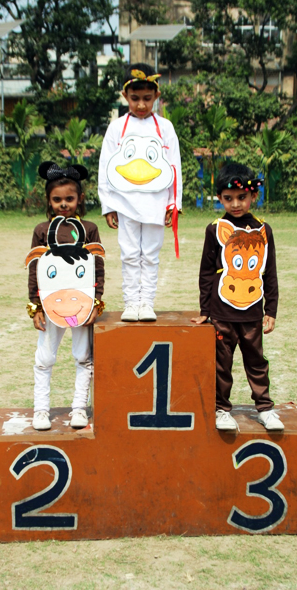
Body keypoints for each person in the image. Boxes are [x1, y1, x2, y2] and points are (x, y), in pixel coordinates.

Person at [192, 162, 284, 432]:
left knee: (256, 362)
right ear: (219, 198)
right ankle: (222, 409)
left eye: (242, 197)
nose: (235, 204)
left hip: (253, 313)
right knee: (222, 364)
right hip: (221, 314)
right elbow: (206, 272)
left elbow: (269, 272)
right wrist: (205, 310)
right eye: (228, 198)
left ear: (253, 195)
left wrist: (271, 310)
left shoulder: (263, 230)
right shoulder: (214, 229)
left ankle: (265, 408)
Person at [98, 63, 182, 322]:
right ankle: (131, 303)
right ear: (125, 96)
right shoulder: (116, 128)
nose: (142, 105)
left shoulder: (165, 128)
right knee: (130, 254)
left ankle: (146, 303)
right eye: (135, 98)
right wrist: (108, 205)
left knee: (151, 255)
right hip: (125, 204)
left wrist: (173, 203)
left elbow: (174, 166)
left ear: (157, 96)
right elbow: (105, 167)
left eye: (147, 98)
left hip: (157, 203)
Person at [26, 161, 105, 431]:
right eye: (57, 200)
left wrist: (95, 302)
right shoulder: (41, 231)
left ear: (80, 198)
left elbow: (97, 268)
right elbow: (35, 269)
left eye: (69, 199)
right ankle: (41, 410)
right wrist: (36, 306)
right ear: (48, 201)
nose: (63, 204)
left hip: (81, 305)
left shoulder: (90, 229)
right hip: (52, 305)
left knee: (83, 355)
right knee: (45, 357)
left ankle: (79, 408)